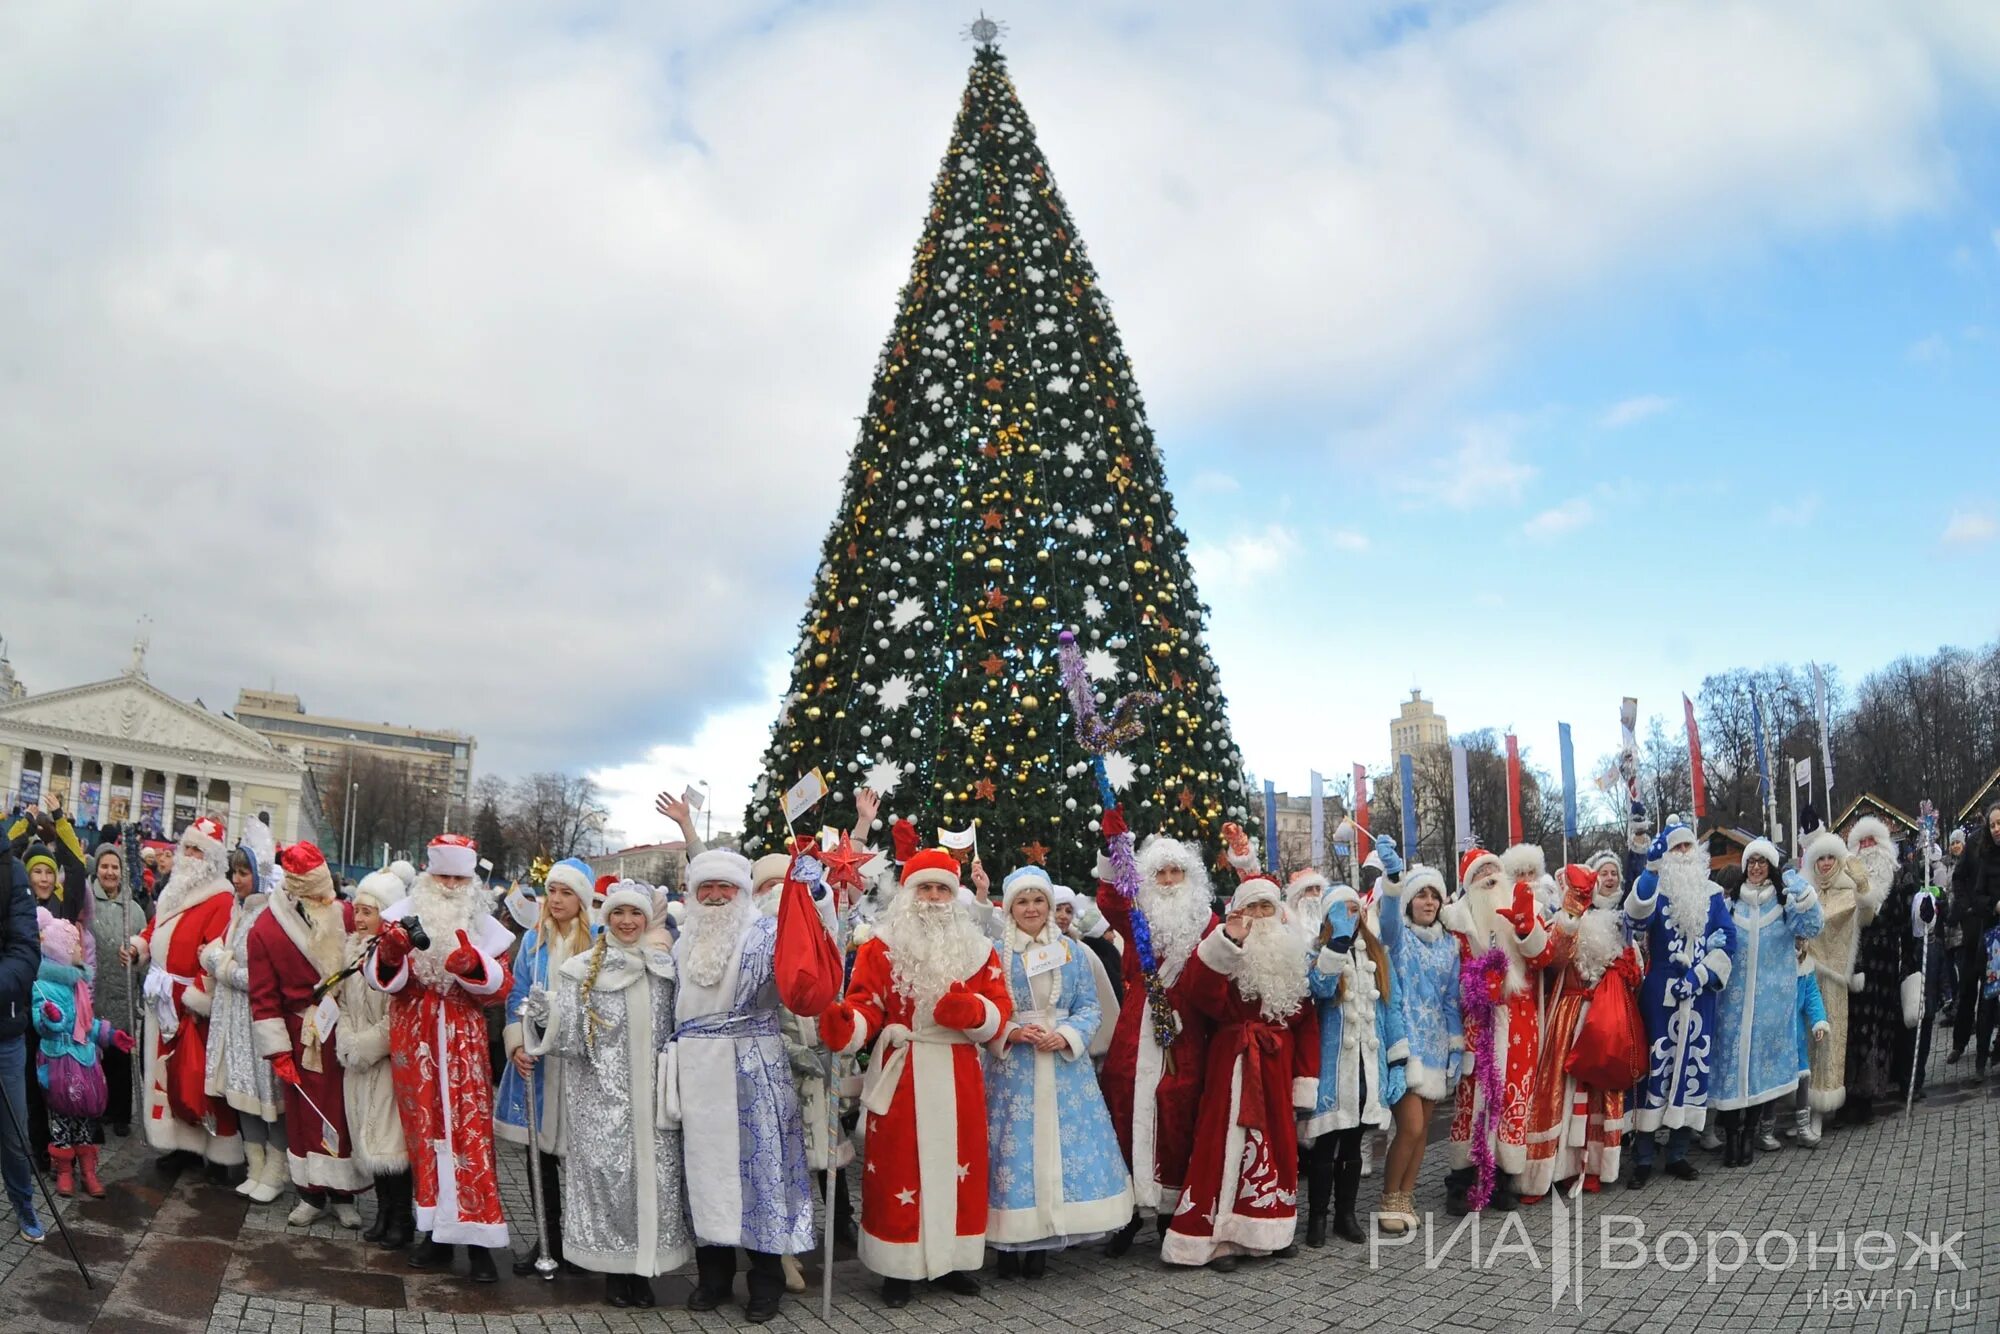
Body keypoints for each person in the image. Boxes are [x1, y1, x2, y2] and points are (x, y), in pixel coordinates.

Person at [816, 848, 1011, 1308]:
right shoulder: (881, 946)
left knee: (961, 1168)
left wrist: (975, 1013)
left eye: (942, 888)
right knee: (899, 1168)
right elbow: (866, 1003)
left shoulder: (978, 949)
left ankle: (954, 1260)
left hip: (958, 1068)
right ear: (909, 893)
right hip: (904, 1070)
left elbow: (1001, 1010)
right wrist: (851, 1026)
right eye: (924, 887)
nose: (933, 896)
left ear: (955, 895)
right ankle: (898, 1267)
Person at [525, 879, 692, 1309]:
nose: (627, 921)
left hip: (654, 1104)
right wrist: (546, 1017)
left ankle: (644, 1272)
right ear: (607, 918)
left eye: (635, 913)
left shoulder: (664, 970)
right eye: (618, 913)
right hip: (601, 1101)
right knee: (610, 1184)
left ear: (646, 918)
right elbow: (568, 1041)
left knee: (654, 1184)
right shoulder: (583, 970)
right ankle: (615, 1275)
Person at [667, 848, 816, 1324]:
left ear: (742, 891)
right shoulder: (681, 940)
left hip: (751, 1069)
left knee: (761, 1176)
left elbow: (807, 963)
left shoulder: (766, 934)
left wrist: (820, 895)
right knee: (705, 1176)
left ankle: (766, 1283)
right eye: (704, 888)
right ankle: (713, 1278)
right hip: (695, 1073)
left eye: (723, 887)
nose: (713, 896)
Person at [366, 833, 513, 1284]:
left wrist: (475, 967)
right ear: (428, 875)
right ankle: (436, 1235)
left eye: (459, 876)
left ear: (472, 879)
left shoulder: (489, 927)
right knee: (425, 1138)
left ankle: (480, 1242)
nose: (450, 885)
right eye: (443, 875)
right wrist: (391, 955)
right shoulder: (397, 916)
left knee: (471, 1140)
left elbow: (501, 988)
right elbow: (379, 979)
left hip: (464, 1041)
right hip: (415, 1040)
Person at [1160, 875, 1317, 1270]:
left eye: (1267, 908)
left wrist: (1304, 1082)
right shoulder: (1222, 953)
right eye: (1252, 908)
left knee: (1276, 1147)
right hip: (1234, 1063)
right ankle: (1218, 1239)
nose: (1260, 917)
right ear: (1238, 913)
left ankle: (1269, 1233)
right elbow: (1201, 994)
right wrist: (1226, 940)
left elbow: (1306, 1024)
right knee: (1223, 1145)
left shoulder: (1291, 956)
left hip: (1277, 1066)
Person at [983, 866, 1132, 1276]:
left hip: (1064, 1070)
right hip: (1013, 1069)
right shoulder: (993, 953)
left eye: (1038, 900)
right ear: (1010, 907)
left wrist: (1066, 1035)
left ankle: (1041, 1247)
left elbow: (1090, 1005)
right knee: (1014, 1152)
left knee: (1060, 1149)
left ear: (1049, 905)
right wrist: (1011, 1031)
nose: (1031, 909)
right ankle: (1008, 1243)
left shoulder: (1071, 951)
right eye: (1022, 901)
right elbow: (986, 1008)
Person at [1095, 833, 1216, 1254]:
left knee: (1179, 1112)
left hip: (1186, 1036)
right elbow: (1108, 900)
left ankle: (1170, 1214)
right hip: (1136, 1029)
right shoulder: (1136, 914)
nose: (1167, 880)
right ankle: (1126, 1215)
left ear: (1189, 876)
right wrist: (1113, 848)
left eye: (1175, 871)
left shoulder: (1208, 922)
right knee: (1125, 1106)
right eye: (1159, 873)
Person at [750, 846, 857, 1289]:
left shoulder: (811, 928)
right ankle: (785, 1250)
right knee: (780, 1159)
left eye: (783, 885)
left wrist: (815, 887)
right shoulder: (754, 937)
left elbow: (832, 925)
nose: (777, 894)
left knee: (827, 1151)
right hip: (773, 1061)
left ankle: (839, 1223)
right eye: (769, 886)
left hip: (820, 1062)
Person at [248, 842, 366, 1225]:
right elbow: (263, 997)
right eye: (317, 893)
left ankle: (345, 1193)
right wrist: (277, 1051)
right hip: (301, 1034)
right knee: (304, 1113)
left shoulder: (344, 912)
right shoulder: (265, 930)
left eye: (326, 891)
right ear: (297, 889)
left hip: (344, 1026)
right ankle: (311, 1194)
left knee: (345, 1111)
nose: (325, 898)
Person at [120, 815, 243, 1171]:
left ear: (213, 858)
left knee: (196, 1075)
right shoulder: (175, 889)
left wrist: (198, 999)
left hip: (190, 1004)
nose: (189, 854)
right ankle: (179, 1145)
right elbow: (157, 927)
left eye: (198, 850)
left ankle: (216, 1152)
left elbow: (217, 952)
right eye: (187, 847)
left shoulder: (220, 899)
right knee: (166, 1073)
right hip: (163, 996)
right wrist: (140, 946)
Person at [1520, 854, 1644, 1199]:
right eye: (1579, 890)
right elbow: (1554, 957)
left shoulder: (1618, 925)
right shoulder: (1561, 923)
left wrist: (1628, 970)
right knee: (1558, 1091)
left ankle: (1592, 1166)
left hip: (1606, 1017)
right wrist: (1570, 918)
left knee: (1598, 1094)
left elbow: (1635, 971)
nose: (1586, 895)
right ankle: (1550, 1169)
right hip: (1569, 1014)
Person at [495, 856, 596, 1277]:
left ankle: (583, 1242)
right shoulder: (533, 944)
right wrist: (517, 1042)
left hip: (579, 1068)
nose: (556, 899)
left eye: (566, 892)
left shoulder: (598, 946)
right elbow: (518, 993)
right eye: (552, 890)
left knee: (584, 1159)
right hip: (538, 1064)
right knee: (541, 1158)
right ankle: (547, 1236)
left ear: (583, 900)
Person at [1442, 845, 1556, 1214]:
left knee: (1512, 1099)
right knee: (1471, 1102)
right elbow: (1449, 974)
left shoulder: (1528, 907)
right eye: (1480, 873)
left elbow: (1543, 959)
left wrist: (1526, 928)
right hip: (1477, 1021)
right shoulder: (1456, 922)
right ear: (1469, 883)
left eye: (1493, 869)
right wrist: (1475, 984)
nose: (1489, 877)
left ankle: (1505, 1179)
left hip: (1520, 1022)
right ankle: (1462, 1180)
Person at [1625, 824, 1737, 1186]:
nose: (1684, 853)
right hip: (1660, 997)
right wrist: (1650, 869)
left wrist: (1700, 977)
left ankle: (1677, 1153)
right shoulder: (1655, 890)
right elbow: (1634, 917)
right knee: (1655, 1069)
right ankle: (1643, 1156)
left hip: (1699, 997)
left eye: (1689, 846)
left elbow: (1728, 941)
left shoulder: (1713, 893)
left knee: (1693, 1067)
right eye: (1677, 848)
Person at [1708, 839, 1821, 1166]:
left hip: (1770, 1007)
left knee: (1758, 1074)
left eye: (1762, 862)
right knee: (1732, 1073)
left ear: (1770, 867)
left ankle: (1748, 1136)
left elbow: (1814, 925)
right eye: (1751, 862)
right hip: (1732, 1006)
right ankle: (1731, 1136)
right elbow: (1714, 940)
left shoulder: (1784, 907)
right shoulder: (1730, 906)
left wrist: (1802, 891)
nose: (1756, 867)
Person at [1300, 883, 1401, 1247]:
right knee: (1325, 1145)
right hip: (1333, 1069)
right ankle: (1316, 1217)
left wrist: (1398, 1062)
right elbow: (1320, 990)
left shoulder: (1377, 953)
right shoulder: (1316, 951)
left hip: (1366, 1068)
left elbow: (1392, 1008)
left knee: (1354, 1143)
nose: (1351, 916)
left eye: (1355, 909)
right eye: (1343, 910)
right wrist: (1337, 943)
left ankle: (1346, 1214)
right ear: (1329, 915)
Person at [1372, 843, 1460, 1233]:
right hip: (1405, 1044)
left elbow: (1452, 1000)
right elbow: (1387, 921)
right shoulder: (1400, 939)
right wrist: (1393, 881)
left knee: (1422, 1130)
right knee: (1407, 1126)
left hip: (1437, 1046)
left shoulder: (1449, 945)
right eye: (1421, 894)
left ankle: (1406, 1197)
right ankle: (1389, 1197)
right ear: (1409, 901)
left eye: (1434, 895)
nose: (1428, 901)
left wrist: (1458, 1048)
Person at [30, 908, 133, 1196]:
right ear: (61, 951)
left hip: (84, 1061)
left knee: (85, 1118)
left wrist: (111, 1036)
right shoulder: (45, 986)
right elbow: (44, 1022)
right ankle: (64, 1170)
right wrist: (50, 1018)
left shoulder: (77, 984)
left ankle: (88, 1169)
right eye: (75, 944)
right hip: (59, 1062)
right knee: (61, 1118)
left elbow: (87, 1023)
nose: (80, 948)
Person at [204, 841, 286, 1202]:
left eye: (243, 872)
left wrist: (220, 965)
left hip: (258, 1021)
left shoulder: (271, 915)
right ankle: (256, 1167)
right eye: (234, 872)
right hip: (234, 1023)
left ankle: (276, 1170)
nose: (236, 879)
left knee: (268, 1098)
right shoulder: (240, 910)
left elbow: (262, 977)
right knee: (243, 1094)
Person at [336, 870, 413, 1249]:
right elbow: (343, 1003)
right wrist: (347, 1039)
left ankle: (401, 1216)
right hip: (357, 1059)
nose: (360, 919)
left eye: (368, 912)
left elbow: (396, 1013)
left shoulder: (393, 958)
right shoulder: (352, 950)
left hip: (386, 1063)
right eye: (358, 910)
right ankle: (382, 1212)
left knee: (390, 1142)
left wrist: (366, 1046)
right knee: (368, 1136)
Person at [1801, 825, 1880, 1135]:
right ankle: (1802, 1106)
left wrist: (1863, 886)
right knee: (1804, 1041)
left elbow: (1868, 915)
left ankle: (1821, 1108)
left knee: (1827, 1042)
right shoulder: (1805, 890)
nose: (1825, 864)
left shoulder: (1847, 891)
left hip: (1834, 979)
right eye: (1820, 859)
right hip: (1805, 975)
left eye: (1831, 858)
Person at [1840, 817, 1903, 1123]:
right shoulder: (1847, 879)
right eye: (1861, 843)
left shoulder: (1897, 877)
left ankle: (1873, 1094)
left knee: (1882, 1028)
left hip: (1888, 962)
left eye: (1871, 842)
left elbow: (1907, 917)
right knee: (1855, 1030)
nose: (1867, 848)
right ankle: (1852, 1097)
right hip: (1858, 960)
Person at [2, 842, 45, 1243]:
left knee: (14, 1135)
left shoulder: (11, 871)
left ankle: (23, 1199)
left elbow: (26, 954)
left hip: (4, 1032)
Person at [88, 843, 143, 1138]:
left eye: (115, 867)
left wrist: (136, 957)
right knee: (95, 1056)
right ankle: (98, 1107)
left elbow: (145, 947)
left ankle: (121, 1112)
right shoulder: (86, 902)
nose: (110, 872)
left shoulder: (133, 910)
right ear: (97, 868)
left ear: (122, 872)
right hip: (95, 994)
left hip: (123, 992)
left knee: (121, 1057)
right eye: (105, 866)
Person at [1947, 805, 2000, 1062]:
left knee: (1990, 992)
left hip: (1992, 924)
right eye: (1992, 822)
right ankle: (1959, 1041)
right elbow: (1958, 877)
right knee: (1968, 986)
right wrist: (1966, 906)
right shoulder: (1974, 842)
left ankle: (1988, 1043)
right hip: (1973, 926)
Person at [1051, 885, 1120, 1057]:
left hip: (1076, 1036)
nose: (1063, 916)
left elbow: (1099, 995)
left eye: (1068, 911)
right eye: (1058, 909)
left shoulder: (1081, 950)